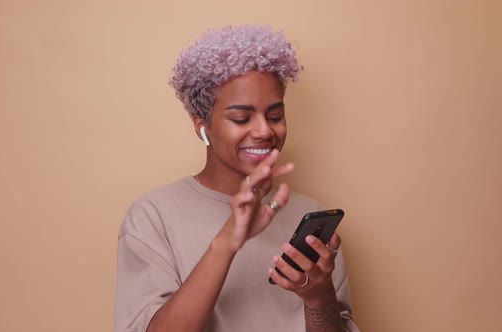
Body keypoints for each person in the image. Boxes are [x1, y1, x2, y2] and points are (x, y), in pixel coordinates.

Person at [115, 24, 360, 332]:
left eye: (274, 116)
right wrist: (228, 240)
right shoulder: (152, 217)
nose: (265, 131)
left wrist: (318, 298)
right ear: (202, 127)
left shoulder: (310, 218)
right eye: (241, 118)